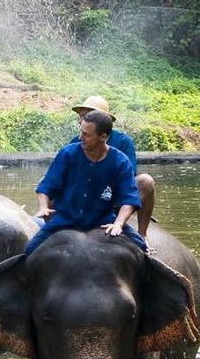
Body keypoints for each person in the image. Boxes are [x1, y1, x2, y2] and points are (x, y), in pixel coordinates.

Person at [26, 109, 146, 255]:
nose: (80, 137)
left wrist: (119, 223)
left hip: (102, 220)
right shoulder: (68, 153)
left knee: (141, 246)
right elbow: (47, 186)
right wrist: (43, 207)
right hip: (64, 219)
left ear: (103, 137)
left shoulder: (120, 162)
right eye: (81, 131)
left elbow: (129, 199)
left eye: (86, 135)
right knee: (30, 249)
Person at [71, 96, 155, 243]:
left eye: (86, 116)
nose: (81, 120)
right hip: (86, 196)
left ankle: (142, 233)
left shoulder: (123, 142)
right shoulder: (76, 141)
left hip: (114, 195)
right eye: (81, 116)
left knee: (145, 181)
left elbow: (128, 178)